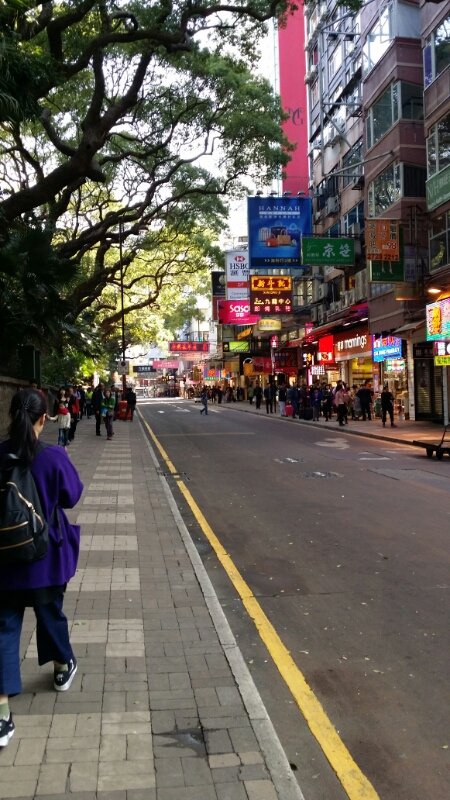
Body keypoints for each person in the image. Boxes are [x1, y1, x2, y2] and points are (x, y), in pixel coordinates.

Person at [0, 389, 83, 748]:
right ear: (43, 418)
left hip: (5, 560)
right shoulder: (52, 456)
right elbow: (71, 496)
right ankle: (61, 666)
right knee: (50, 614)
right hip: (46, 558)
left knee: (4, 627)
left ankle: (2, 713)